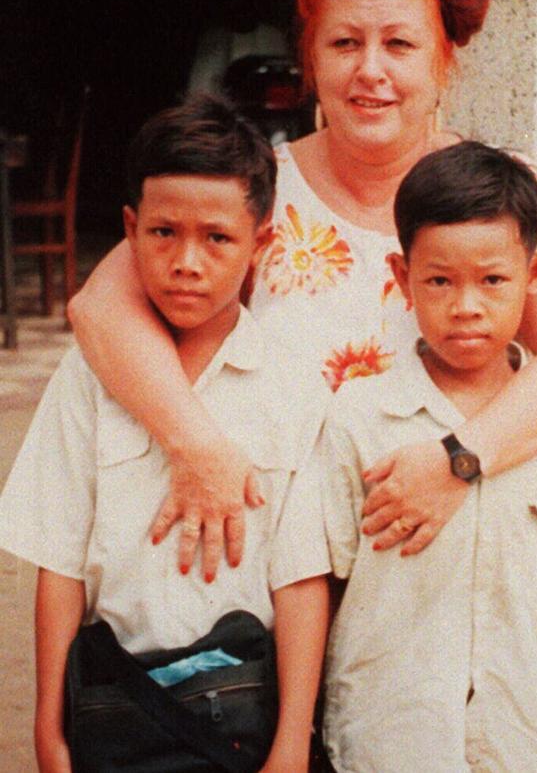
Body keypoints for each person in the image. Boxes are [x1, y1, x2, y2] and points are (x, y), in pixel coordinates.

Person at [68, 0, 537, 674]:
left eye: (400, 45)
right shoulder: (253, 187)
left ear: (446, 57)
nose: (371, 72)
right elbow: (100, 309)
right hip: (265, 605)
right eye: (345, 44)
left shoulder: (500, 193)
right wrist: (199, 448)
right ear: (310, 62)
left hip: (430, 610)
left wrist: (455, 463)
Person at [0, 95, 328, 773]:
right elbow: (59, 560)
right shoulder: (88, 377)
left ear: (260, 245)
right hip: (115, 706)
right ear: (130, 227)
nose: (187, 261)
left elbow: (300, 580)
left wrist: (292, 743)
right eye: (163, 233)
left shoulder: (292, 388)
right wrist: (49, 728)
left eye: (217, 237)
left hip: (241, 713)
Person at [305, 141, 537, 772]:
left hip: (521, 744)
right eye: (439, 280)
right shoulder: (360, 420)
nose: (466, 306)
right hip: (386, 742)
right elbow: (317, 584)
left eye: (493, 280)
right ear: (400, 277)